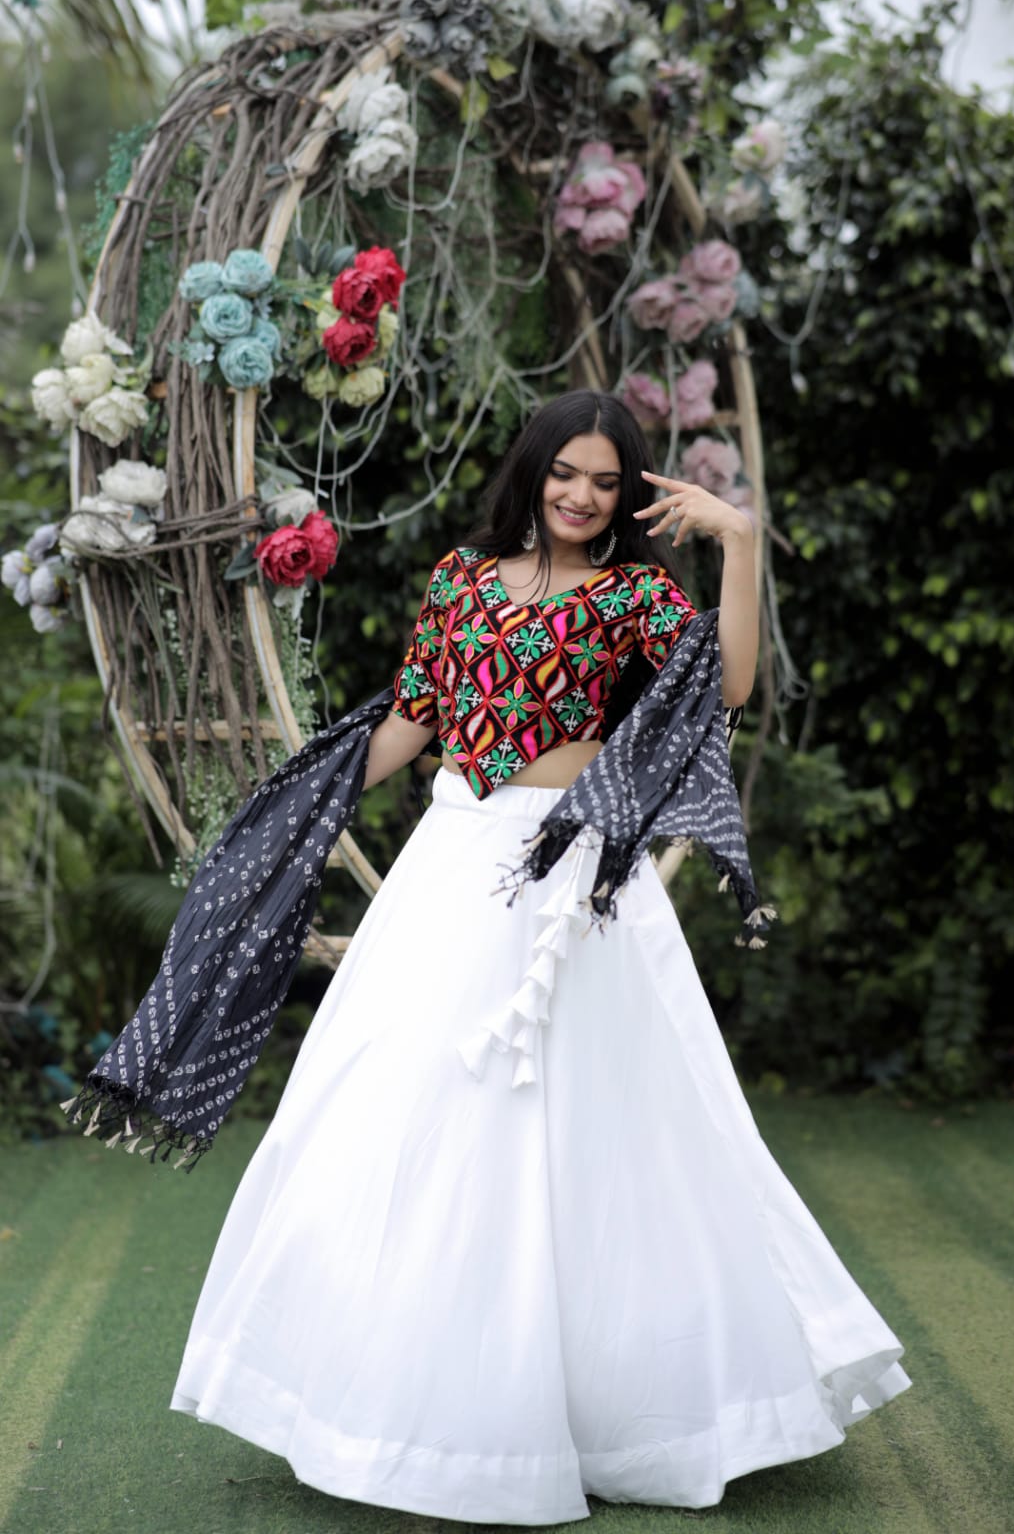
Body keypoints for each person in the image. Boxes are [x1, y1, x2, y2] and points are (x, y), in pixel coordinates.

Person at [169, 390, 910, 1524]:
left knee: (608, 1129)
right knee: (411, 1112)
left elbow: (731, 686)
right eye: (566, 473)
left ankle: (612, 1409)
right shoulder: (461, 579)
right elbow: (414, 721)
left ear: (628, 493)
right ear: (535, 470)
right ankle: (409, 1409)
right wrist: (294, 813)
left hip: (570, 876)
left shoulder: (634, 595)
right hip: (453, 861)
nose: (581, 495)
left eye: (607, 482)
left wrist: (741, 543)